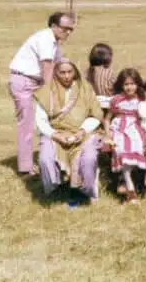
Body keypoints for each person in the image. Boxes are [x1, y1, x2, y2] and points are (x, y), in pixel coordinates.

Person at [8, 11, 74, 176]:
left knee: (51, 120)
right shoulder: (45, 38)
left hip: (34, 82)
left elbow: (60, 63)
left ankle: (56, 158)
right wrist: (50, 92)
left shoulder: (54, 42)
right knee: (27, 124)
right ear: (54, 26)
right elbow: (47, 68)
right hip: (24, 81)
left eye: (71, 29)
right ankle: (25, 167)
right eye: (65, 28)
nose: (68, 32)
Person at [33, 59, 104, 201]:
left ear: (75, 72)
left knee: (88, 158)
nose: (66, 76)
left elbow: (95, 115)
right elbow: (40, 120)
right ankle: (55, 188)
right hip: (55, 133)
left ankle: (83, 189)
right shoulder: (46, 91)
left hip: (83, 132)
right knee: (45, 158)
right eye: (62, 72)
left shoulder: (85, 88)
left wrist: (82, 131)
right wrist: (55, 135)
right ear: (56, 73)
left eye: (69, 72)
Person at [104, 68, 146, 203]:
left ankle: (125, 179)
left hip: (136, 128)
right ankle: (130, 185)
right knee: (121, 148)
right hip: (119, 128)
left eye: (132, 84)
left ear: (138, 84)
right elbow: (107, 118)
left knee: (136, 147)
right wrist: (108, 134)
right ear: (121, 85)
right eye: (126, 84)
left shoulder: (141, 99)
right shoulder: (117, 100)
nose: (130, 87)